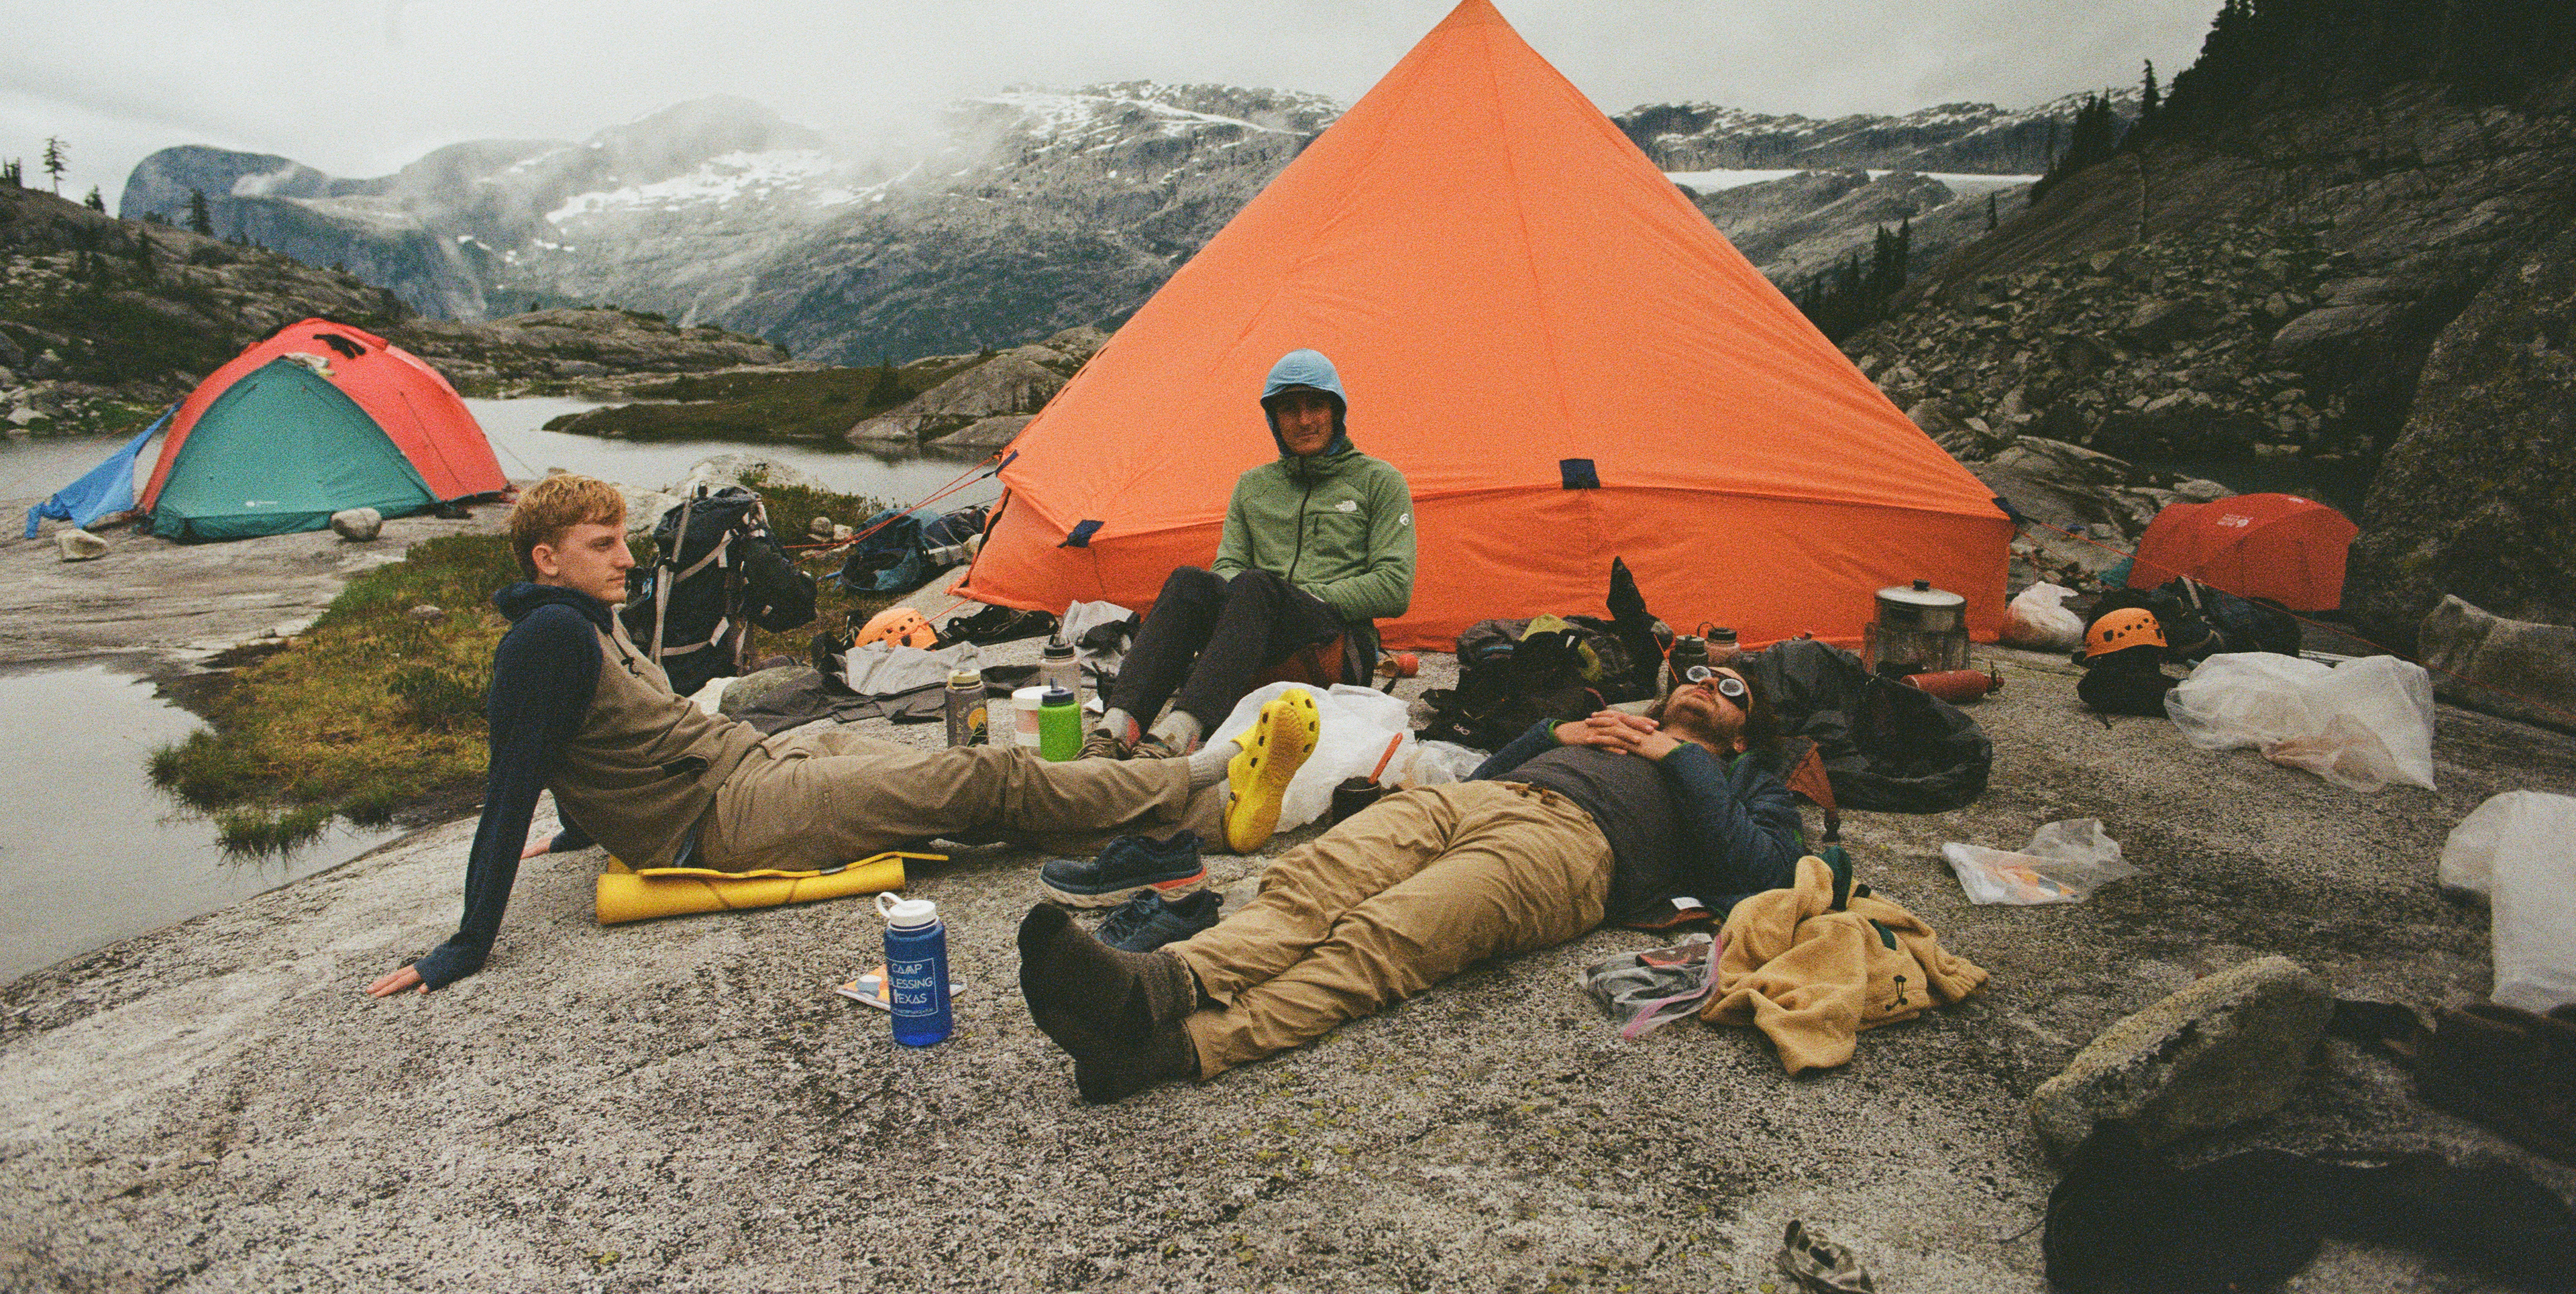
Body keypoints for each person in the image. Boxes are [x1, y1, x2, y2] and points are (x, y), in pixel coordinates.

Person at [364, 474, 1315, 998]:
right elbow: (510, 780)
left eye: (621, 538)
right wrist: (465, 943)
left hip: (753, 765)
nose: (626, 556)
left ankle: (1141, 806)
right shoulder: (547, 637)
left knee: (958, 770)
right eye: (601, 544)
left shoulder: (579, 618)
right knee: (974, 784)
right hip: (725, 817)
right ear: (546, 558)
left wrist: (582, 823)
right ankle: (1184, 776)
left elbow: (581, 749)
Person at [1018, 665, 1806, 1102]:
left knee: (1383, 936)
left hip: (1571, 851)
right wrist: (1550, 734)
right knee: (1313, 881)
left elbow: (1759, 868)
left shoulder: (1742, 779)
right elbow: (1495, 772)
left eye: (1730, 688)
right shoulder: (1610, 725)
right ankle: (1155, 985)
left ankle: (1171, 1047)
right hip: (1470, 801)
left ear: (1744, 730)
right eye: (1698, 672)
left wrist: (1679, 759)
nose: (1707, 684)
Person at [1089, 349, 1413, 759]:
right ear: (1274, 420)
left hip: (1334, 647)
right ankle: (1117, 726)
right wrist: (1241, 598)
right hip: (1256, 634)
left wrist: (1293, 594)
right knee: (1191, 580)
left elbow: (1394, 587)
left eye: (1316, 405)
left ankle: (1181, 733)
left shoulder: (1378, 481)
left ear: (1336, 411)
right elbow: (1227, 564)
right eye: (1289, 409)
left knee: (1257, 585)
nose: (1306, 420)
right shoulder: (1253, 486)